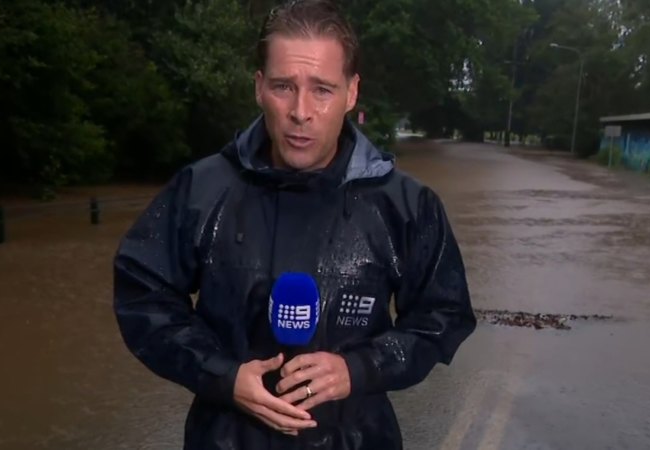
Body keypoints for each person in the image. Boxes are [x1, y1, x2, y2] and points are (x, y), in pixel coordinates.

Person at [112, 1, 476, 448]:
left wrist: (358, 369)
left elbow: (443, 316)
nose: (300, 111)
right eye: (284, 86)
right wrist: (221, 376)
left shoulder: (406, 205)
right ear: (259, 88)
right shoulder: (201, 190)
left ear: (352, 93)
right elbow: (142, 294)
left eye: (322, 89)